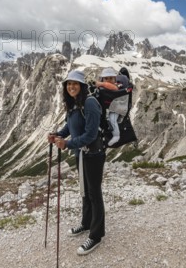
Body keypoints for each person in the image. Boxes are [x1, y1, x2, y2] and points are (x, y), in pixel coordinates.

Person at [48, 70, 105, 256]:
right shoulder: (74, 104)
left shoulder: (89, 103)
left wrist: (67, 143)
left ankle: (96, 235)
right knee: (84, 191)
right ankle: (86, 223)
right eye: (68, 84)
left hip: (94, 154)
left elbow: (91, 134)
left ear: (82, 86)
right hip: (82, 153)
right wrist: (57, 135)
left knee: (94, 193)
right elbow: (69, 127)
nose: (71, 86)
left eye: (75, 83)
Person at [94, 67, 130, 146]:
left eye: (111, 78)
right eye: (106, 78)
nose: (109, 80)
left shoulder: (117, 85)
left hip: (116, 107)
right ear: (103, 79)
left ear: (115, 79)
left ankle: (116, 136)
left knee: (112, 118)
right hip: (106, 107)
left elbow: (114, 88)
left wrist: (101, 84)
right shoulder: (102, 88)